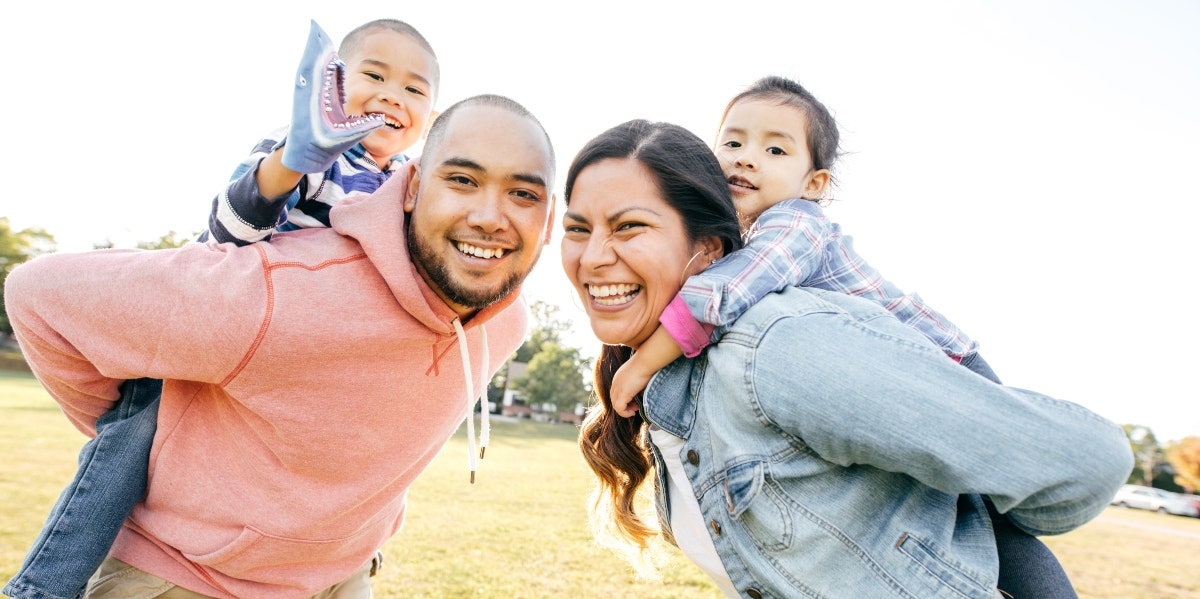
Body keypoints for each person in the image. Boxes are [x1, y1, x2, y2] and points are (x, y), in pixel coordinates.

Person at [4, 92, 558, 598]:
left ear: (550, 218)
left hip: (345, 579)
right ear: (411, 187)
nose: (489, 217)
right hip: (187, 579)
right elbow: (39, 296)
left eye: (523, 193)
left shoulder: (505, 325)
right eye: (462, 180)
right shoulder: (276, 290)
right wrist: (158, 429)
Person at [561, 119, 1132, 598]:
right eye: (577, 229)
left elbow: (1087, 458)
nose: (593, 257)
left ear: (709, 248)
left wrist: (990, 507)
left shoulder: (774, 346)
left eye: (630, 226)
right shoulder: (672, 391)